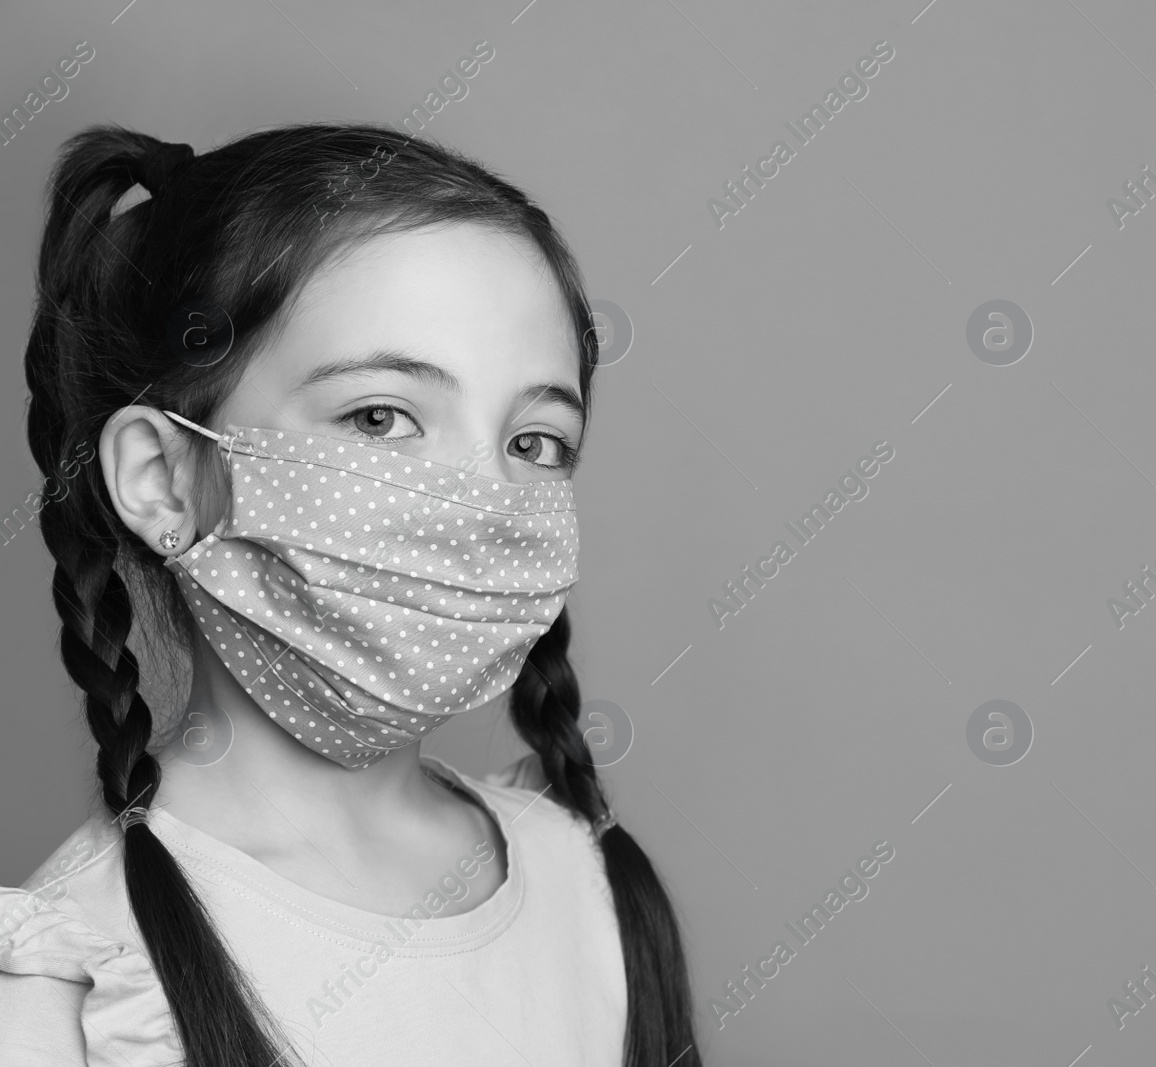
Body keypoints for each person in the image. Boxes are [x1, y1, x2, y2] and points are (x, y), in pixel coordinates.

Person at [0, 123, 700, 1067]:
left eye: (534, 443)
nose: (480, 505)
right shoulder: (73, 987)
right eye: (381, 416)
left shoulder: (592, 881)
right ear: (163, 479)